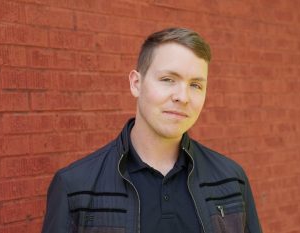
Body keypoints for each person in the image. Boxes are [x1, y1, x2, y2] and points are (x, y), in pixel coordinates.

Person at [41, 27, 262, 233]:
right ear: (136, 83)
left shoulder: (231, 179)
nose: (183, 97)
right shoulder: (75, 187)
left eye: (196, 85)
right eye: (168, 79)